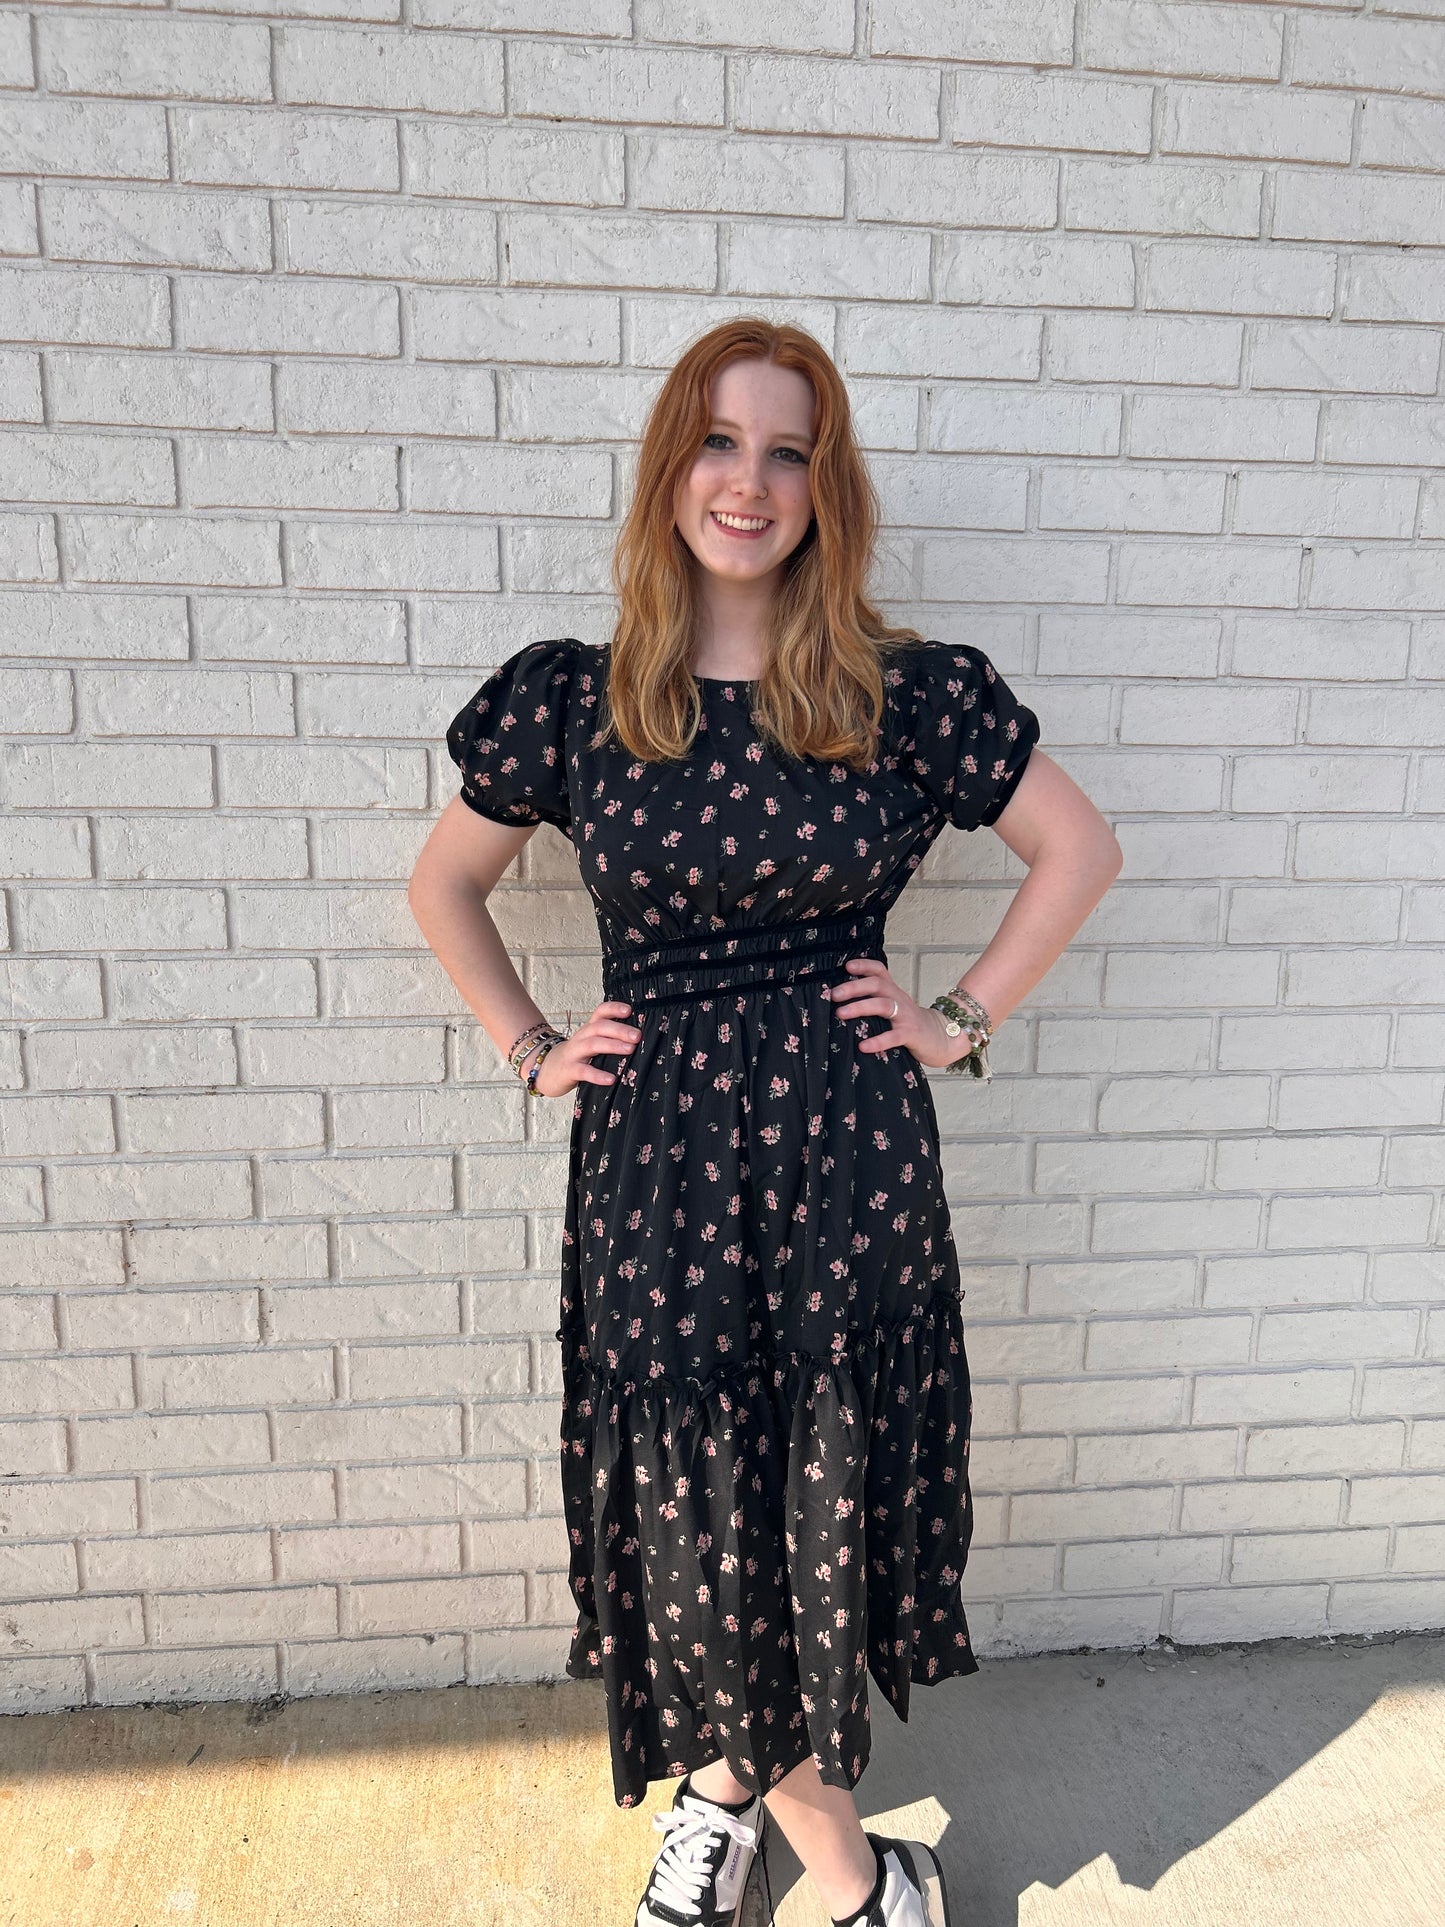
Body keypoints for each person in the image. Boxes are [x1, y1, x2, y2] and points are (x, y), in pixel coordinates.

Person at [409, 319, 1123, 1927]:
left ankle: (790, 1836)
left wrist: (954, 1021)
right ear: (673, 469)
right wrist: (530, 1044)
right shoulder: (574, 701)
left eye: (787, 450)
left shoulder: (902, 691)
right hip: (656, 1162)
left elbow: (1077, 852)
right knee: (695, 1494)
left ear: (824, 484)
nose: (750, 482)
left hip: (844, 1163)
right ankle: (829, 1851)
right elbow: (440, 884)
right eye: (719, 444)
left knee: (805, 1486)